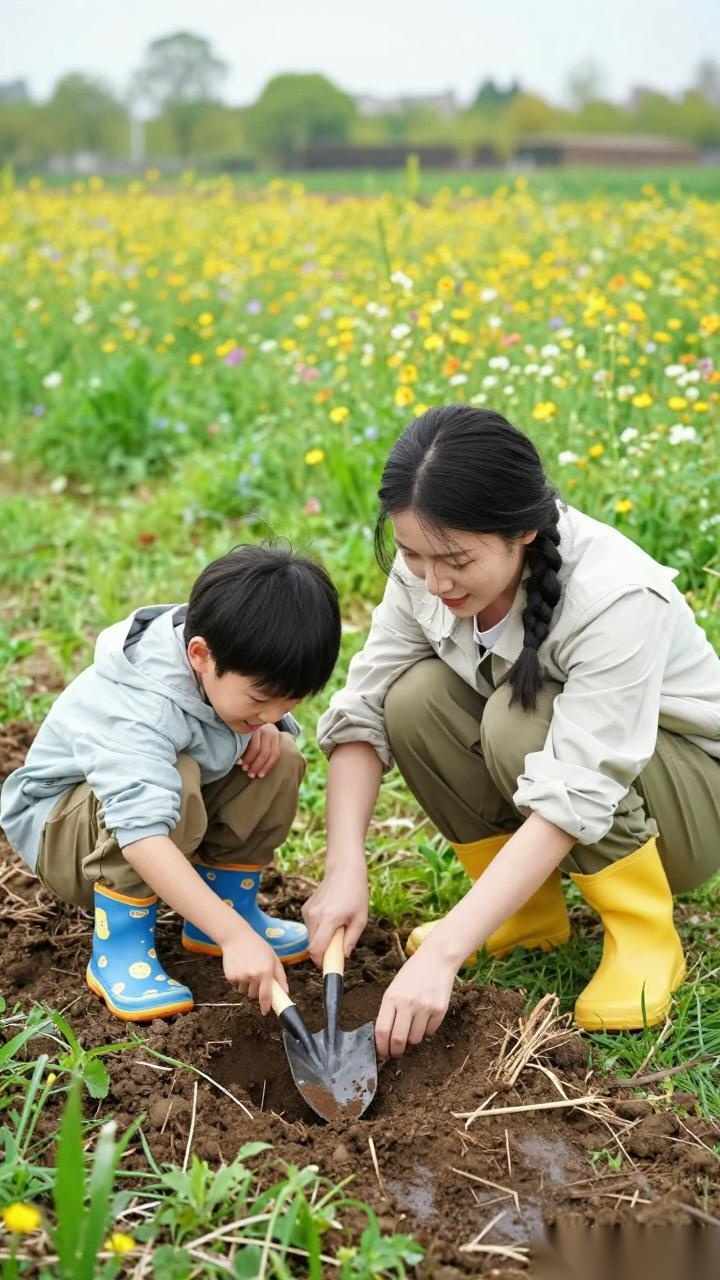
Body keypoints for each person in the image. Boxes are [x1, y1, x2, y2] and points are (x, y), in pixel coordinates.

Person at [304, 406, 720, 1058]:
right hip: (572, 775)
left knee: (521, 720)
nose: (433, 580)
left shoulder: (615, 597)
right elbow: (364, 707)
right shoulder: (426, 572)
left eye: (455, 560)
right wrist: (344, 866)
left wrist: (443, 953)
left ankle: (642, 929)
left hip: (686, 804)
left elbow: (577, 787)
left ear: (522, 529)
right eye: (412, 554)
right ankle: (527, 915)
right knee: (412, 701)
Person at [1, 545, 341, 1022]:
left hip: (154, 812)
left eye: (291, 701)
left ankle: (226, 906)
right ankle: (118, 943)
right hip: (64, 837)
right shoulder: (139, 707)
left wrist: (261, 724)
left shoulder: (230, 661)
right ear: (200, 655)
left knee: (278, 755)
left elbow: (248, 714)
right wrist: (235, 939)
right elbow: (141, 835)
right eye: (262, 698)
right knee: (174, 778)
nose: (274, 713)